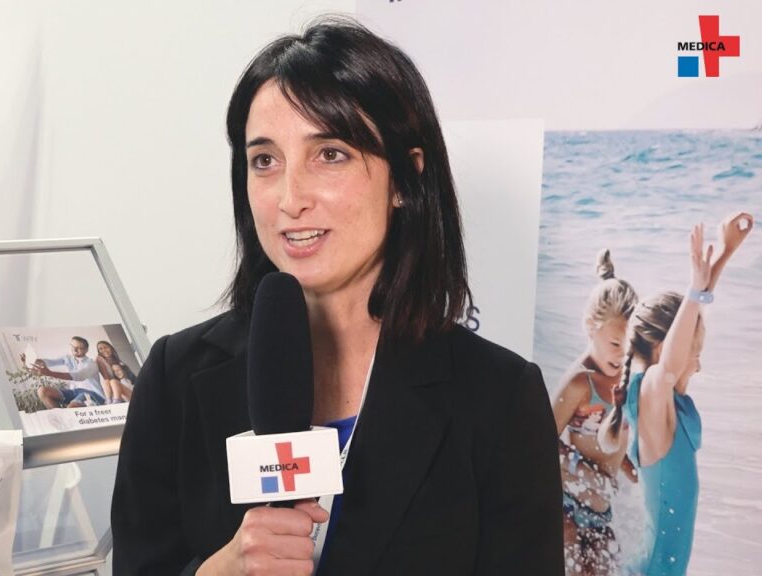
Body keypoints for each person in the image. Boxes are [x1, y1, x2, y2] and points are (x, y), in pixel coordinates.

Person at [112, 17, 563, 575]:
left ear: (405, 179)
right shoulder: (174, 377)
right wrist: (220, 571)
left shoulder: (499, 398)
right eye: (265, 161)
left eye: (329, 154)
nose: (290, 198)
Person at [599, 213, 753, 576]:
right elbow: (671, 361)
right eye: (694, 353)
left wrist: (725, 254)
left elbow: (687, 327)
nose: (698, 365)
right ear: (666, 348)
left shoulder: (669, 405)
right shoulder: (651, 395)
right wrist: (695, 289)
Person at [550, 249, 638, 574]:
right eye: (615, 344)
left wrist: (626, 464)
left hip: (600, 512)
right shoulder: (580, 383)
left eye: (630, 346)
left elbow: (612, 435)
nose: (622, 354)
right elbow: (538, 441)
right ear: (591, 327)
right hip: (566, 506)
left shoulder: (627, 379)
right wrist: (583, 470)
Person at [23, 336, 106, 408]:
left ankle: (67, 414)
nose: (74, 350)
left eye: (79, 348)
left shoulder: (91, 364)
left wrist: (49, 373)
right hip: (74, 392)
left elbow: (79, 376)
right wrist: (31, 360)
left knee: (73, 405)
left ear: (86, 350)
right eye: (73, 346)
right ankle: (60, 415)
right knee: (42, 391)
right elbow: (50, 362)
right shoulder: (68, 358)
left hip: (92, 393)